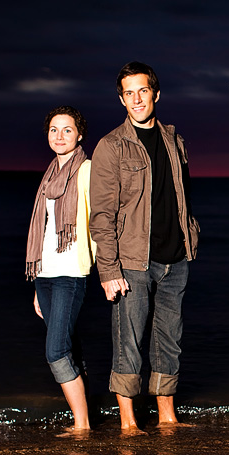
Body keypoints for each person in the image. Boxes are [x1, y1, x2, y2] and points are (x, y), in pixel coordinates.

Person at [90, 61, 200, 434]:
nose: (137, 99)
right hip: (132, 260)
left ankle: (168, 417)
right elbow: (101, 215)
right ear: (121, 99)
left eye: (142, 91)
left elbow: (180, 196)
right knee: (129, 339)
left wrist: (189, 236)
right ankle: (128, 422)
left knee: (170, 337)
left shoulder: (173, 139)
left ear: (155, 93)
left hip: (176, 257)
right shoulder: (111, 146)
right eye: (129, 93)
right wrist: (108, 271)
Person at [25, 105, 96, 436]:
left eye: (67, 129)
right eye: (54, 129)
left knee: (56, 350)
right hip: (46, 275)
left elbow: (101, 218)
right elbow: (45, 227)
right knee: (68, 344)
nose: (60, 136)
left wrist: (101, 262)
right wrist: (37, 286)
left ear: (79, 135)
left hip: (71, 274)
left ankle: (82, 425)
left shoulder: (87, 170)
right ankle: (86, 414)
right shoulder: (50, 174)